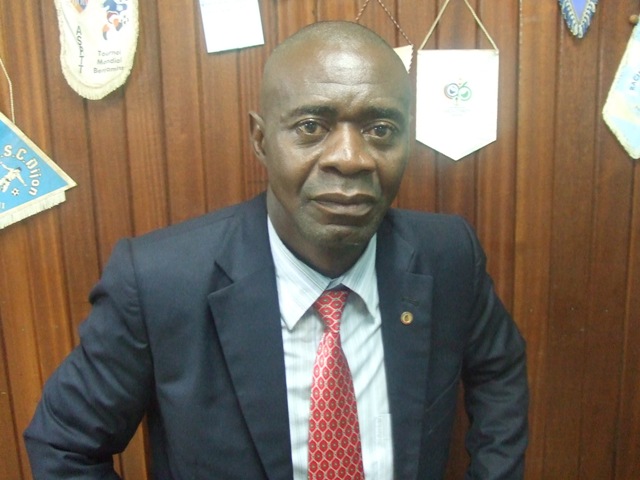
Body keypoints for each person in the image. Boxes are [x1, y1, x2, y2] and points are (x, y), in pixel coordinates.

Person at [24, 21, 528, 479]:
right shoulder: (160, 281)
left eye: (380, 130)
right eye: (311, 127)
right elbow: (65, 444)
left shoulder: (448, 256)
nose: (350, 158)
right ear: (261, 140)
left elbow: (499, 370)